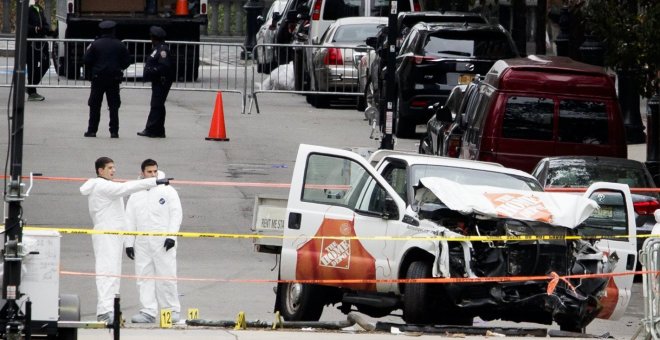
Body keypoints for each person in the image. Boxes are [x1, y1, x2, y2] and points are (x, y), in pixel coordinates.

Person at [80, 157, 171, 323]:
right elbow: (127, 187)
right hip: (106, 234)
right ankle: (104, 311)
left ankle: (110, 309)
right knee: (106, 272)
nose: (113, 170)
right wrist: (154, 182)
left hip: (114, 235)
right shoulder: (103, 185)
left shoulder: (107, 185)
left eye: (114, 167)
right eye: (109, 168)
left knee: (113, 273)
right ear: (100, 171)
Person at [125, 159, 182, 323]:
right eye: (149, 172)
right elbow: (129, 219)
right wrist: (128, 242)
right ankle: (148, 311)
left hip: (162, 240)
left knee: (167, 275)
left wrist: (171, 236)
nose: (152, 174)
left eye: (154, 171)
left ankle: (171, 310)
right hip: (142, 241)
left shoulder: (167, 190)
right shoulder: (136, 192)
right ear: (142, 172)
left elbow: (176, 214)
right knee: (143, 276)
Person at [83, 21, 130, 138]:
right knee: (114, 106)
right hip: (114, 78)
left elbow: (86, 59)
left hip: (98, 78)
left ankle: (92, 130)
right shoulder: (120, 44)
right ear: (113, 30)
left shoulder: (95, 44)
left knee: (95, 105)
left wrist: (95, 67)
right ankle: (114, 131)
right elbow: (127, 62)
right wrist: (118, 67)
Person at [137, 26, 174, 138]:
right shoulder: (157, 48)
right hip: (158, 80)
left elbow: (164, 66)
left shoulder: (162, 50)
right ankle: (159, 130)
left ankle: (151, 129)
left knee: (156, 105)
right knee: (159, 105)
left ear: (154, 38)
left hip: (162, 81)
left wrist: (153, 70)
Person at [26, 0, 53, 101]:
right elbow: (24, 25)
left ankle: (30, 87)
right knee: (32, 66)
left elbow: (45, 23)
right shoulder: (27, 9)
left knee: (46, 63)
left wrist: (48, 30)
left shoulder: (39, 9)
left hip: (41, 43)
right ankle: (32, 92)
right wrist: (35, 29)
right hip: (30, 44)